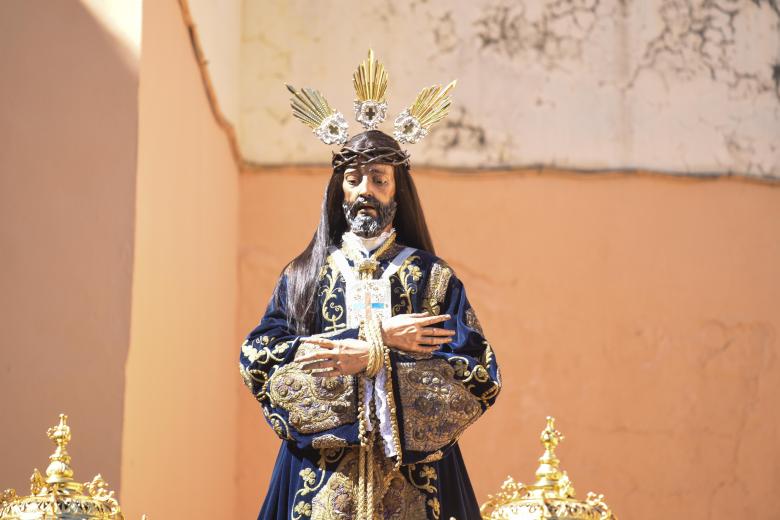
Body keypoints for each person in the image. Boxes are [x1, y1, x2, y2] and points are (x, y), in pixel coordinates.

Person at [240, 51, 501, 520]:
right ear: (338, 190)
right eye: (354, 178)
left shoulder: (433, 279)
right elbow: (260, 362)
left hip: (416, 484)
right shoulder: (303, 276)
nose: (365, 190)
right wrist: (377, 343)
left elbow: (476, 374)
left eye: (378, 179)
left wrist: (370, 360)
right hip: (319, 481)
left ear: (397, 191)